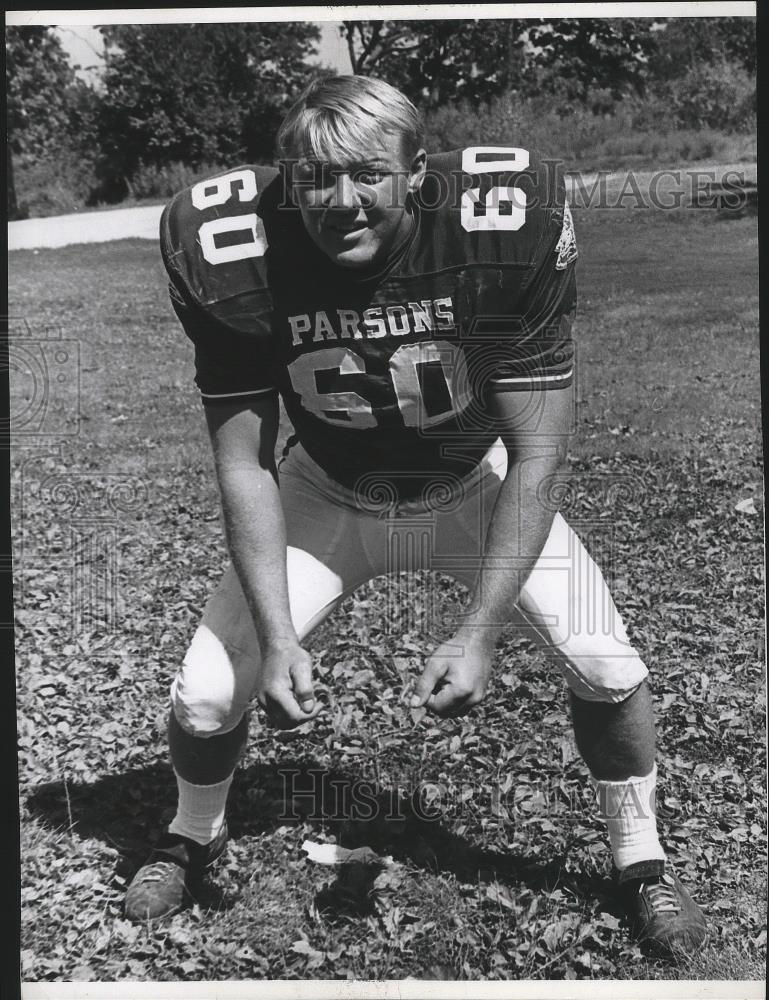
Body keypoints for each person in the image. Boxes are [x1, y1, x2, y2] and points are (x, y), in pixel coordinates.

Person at [125, 74, 706, 956]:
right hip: (324, 488)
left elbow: (539, 451)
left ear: (417, 172)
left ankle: (641, 862)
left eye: (367, 175)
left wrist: (478, 630)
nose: (341, 203)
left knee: (605, 661)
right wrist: (280, 636)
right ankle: (192, 831)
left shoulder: (504, 226)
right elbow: (241, 459)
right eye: (315, 180)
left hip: (472, 481)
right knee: (207, 696)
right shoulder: (227, 248)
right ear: (286, 182)